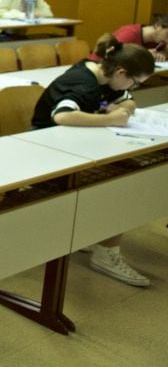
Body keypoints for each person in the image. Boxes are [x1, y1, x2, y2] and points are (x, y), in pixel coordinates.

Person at [32, 34, 155, 287]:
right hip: (46, 151)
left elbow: (126, 101)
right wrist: (112, 119)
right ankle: (106, 254)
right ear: (121, 72)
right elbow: (63, 116)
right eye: (134, 82)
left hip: (73, 146)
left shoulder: (106, 78)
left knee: (131, 172)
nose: (132, 88)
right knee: (122, 182)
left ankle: (96, 235)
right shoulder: (82, 83)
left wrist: (126, 109)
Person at [93, 16, 168, 62]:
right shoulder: (129, 33)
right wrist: (142, 55)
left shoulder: (158, 40)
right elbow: (111, 55)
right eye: (167, 34)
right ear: (158, 25)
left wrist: (163, 53)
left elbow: (165, 50)